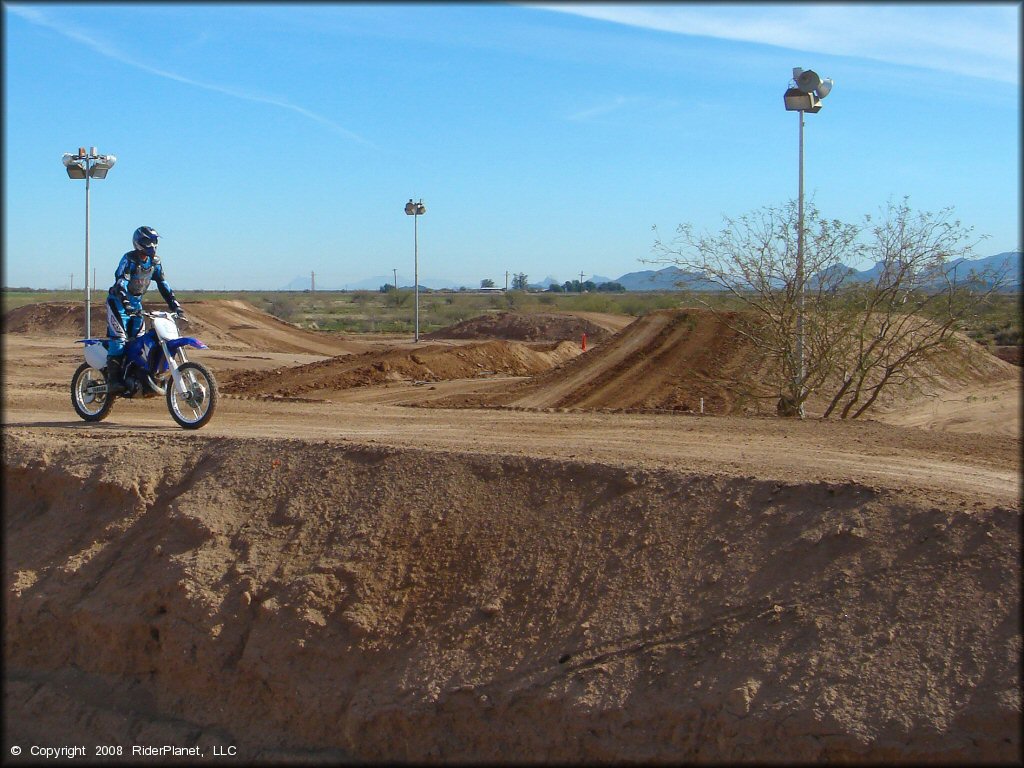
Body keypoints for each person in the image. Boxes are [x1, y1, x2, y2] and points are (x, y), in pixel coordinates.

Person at [105, 226, 184, 391]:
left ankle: (138, 374)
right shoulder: (129, 259)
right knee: (119, 339)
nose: (152, 245)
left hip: (136, 303)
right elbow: (121, 282)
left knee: (139, 341)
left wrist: (175, 305)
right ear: (138, 242)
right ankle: (113, 380)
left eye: (154, 241)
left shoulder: (155, 263)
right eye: (148, 241)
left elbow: (163, 284)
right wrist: (125, 302)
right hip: (118, 302)